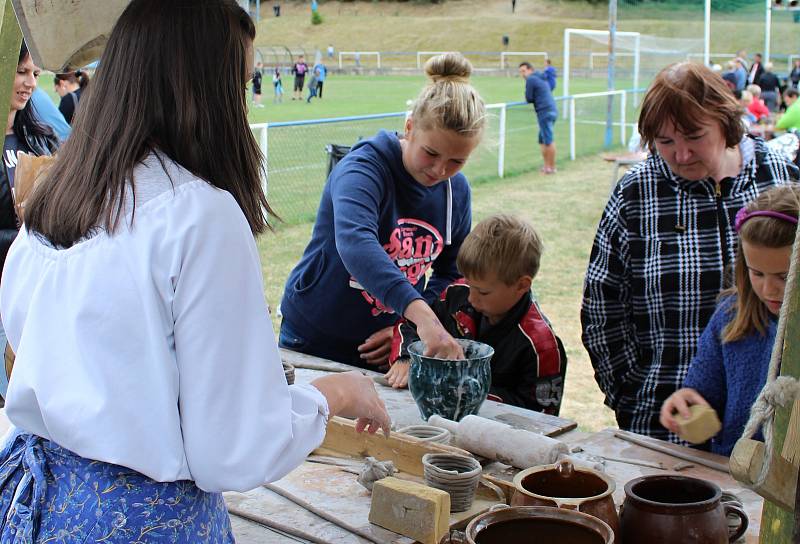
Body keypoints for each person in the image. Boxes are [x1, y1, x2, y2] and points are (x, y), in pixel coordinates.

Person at [0, 1, 390, 541]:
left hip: (40, 505)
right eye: (240, 83)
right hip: (141, 523)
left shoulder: (57, 193)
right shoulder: (197, 214)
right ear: (201, 86)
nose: (242, 103)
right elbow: (230, 449)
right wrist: (332, 394)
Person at [581, 62, 798, 441]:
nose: (680, 155)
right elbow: (603, 308)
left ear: (725, 122)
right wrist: (631, 397)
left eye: (694, 136)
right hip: (658, 426)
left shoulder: (780, 179)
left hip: (768, 438)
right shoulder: (635, 194)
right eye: (665, 142)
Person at [279, 52, 486, 369]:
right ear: (410, 127)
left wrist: (406, 327)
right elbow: (356, 243)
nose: (440, 170)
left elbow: (451, 271)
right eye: (430, 153)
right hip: (314, 337)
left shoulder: (456, 192)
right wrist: (421, 317)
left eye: (457, 161)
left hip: (387, 347)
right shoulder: (362, 169)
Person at [660, 185, 800, 456]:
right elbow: (703, 393)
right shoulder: (730, 316)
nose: (769, 290)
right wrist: (688, 404)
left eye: (784, 277)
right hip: (733, 475)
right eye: (757, 273)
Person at [386, 214, 568, 414]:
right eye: (469, 284)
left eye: (482, 292)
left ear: (521, 285)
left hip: (494, 436)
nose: (471, 298)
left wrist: (465, 389)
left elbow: (541, 415)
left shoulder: (541, 347)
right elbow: (412, 323)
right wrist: (405, 358)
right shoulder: (456, 295)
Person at [3, 42, 58, 277]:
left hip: (36, 278)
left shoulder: (42, 139)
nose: (31, 83)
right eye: (21, 72)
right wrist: (26, 239)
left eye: (35, 74)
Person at [519, 61, 557, 175]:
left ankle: (551, 168)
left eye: (524, 71)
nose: (522, 74)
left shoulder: (531, 79)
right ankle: (546, 166)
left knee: (548, 141)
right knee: (542, 140)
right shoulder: (541, 77)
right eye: (520, 72)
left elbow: (529, 98)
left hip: (544, 112)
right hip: (551, 110)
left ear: (530, 70)